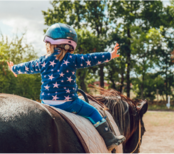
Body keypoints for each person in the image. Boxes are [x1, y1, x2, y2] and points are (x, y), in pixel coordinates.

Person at [7, 23, 125, 151]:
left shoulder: (42, 60)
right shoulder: (72, 59)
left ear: (48, 43)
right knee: (93, 112)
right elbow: (90, 58)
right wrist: (110, 55)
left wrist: (14, 68)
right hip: (68, 103)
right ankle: (110, 139)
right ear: (71, 45)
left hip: (46, 103)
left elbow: (28, 66)